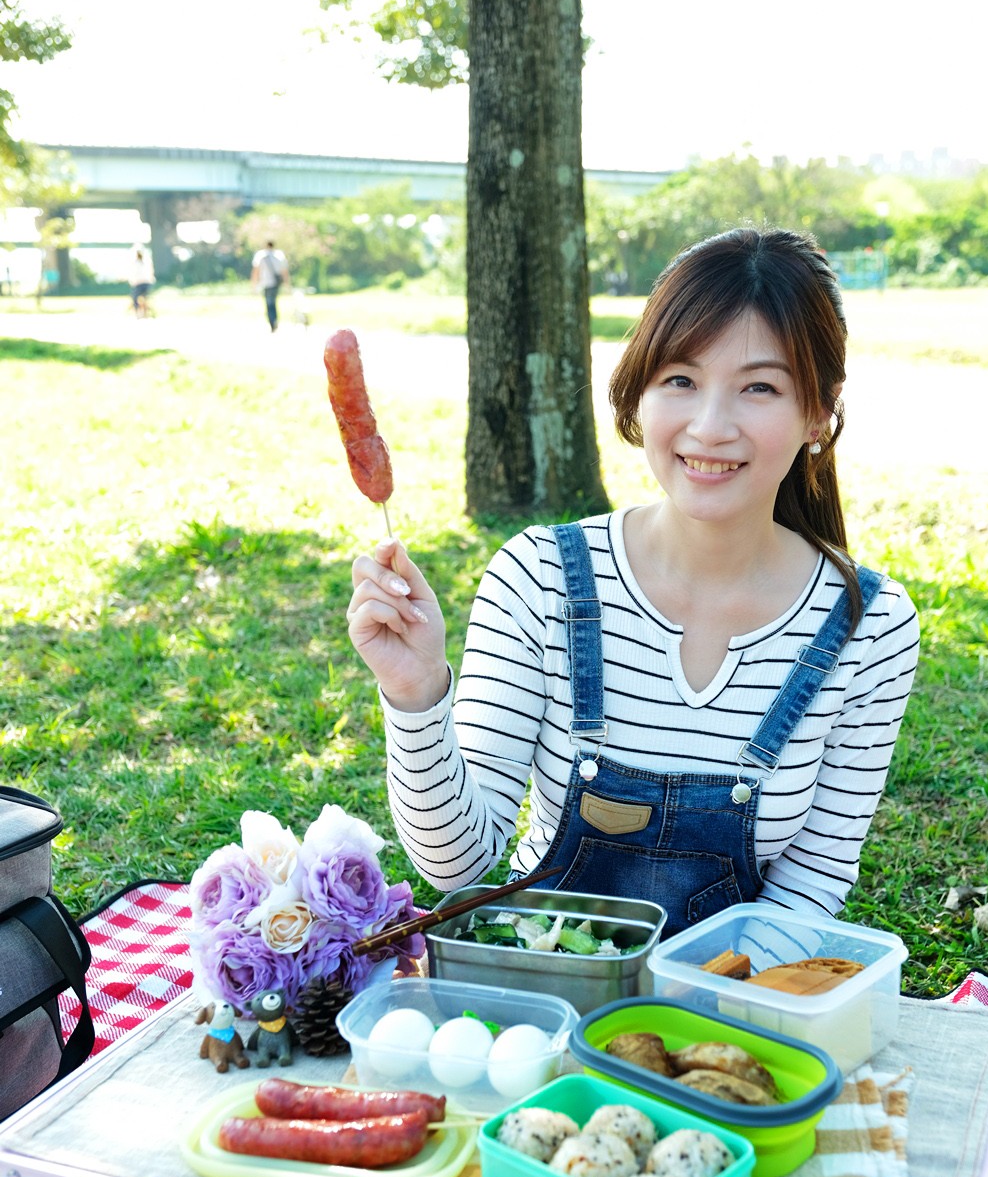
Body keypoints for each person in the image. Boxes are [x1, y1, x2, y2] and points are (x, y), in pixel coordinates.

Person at [347, 227, 920, 934]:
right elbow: (458, 864)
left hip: (726, 1001)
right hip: (549, 978)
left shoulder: (871, 625)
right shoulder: (540, 577)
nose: (709, 427)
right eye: (680, 379)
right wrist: (414, 693)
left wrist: (682, 1020)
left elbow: (810, 888)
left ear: (818, 412)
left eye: (760, 387)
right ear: (640, 390)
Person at [251, 240, 290, 332]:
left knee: (269, 303)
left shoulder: (261, 256)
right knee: (274, 302)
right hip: (276, 283)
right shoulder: (279, 255)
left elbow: (256, 271)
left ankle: (272, 322)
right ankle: (275, 320)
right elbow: (284, 271)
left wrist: (254, 284)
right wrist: (287, 283)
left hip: (266, 283)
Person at [127, 247, 155, 317]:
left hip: (141, 283)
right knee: (142, 298)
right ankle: (140, 313)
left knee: (137, 298)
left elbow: (133, 273)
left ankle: (141, 313)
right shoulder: (145, 262)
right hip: (143, 282)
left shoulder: (143, 262)